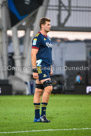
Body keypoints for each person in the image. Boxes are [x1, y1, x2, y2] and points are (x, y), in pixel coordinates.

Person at [31, 17, 53, 123]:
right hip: (40, 67)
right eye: (48, 24)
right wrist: (34, 69)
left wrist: (51, 67)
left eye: (49, 24)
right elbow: (33, 54)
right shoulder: (37, 37)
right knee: (48, 88)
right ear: (42, 25)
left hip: (46, 67)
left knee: (39, 91)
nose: (49, 26)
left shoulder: (48, 38)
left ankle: (36, 118)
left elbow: (48, 54)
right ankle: (43, 116)